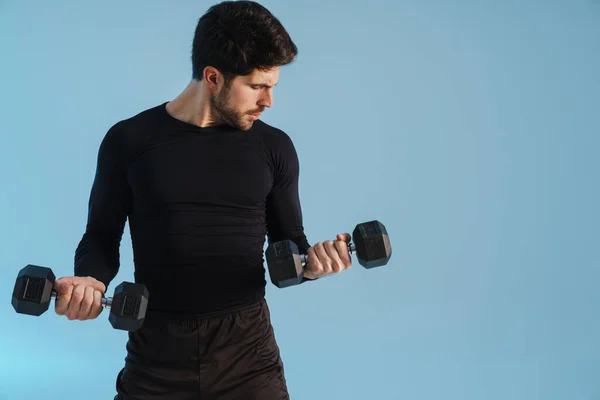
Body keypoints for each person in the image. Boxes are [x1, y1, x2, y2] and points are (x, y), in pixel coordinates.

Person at [52, 1, 353, 399]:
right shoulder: (130, 141)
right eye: (257, 87)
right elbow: (101, 235)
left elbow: (289, 244)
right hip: (156, 353)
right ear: (213, 77)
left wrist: (313, 264)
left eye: (273, 87)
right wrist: (91, 279)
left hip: (248, 353)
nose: (269, 102)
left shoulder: (274, 148)